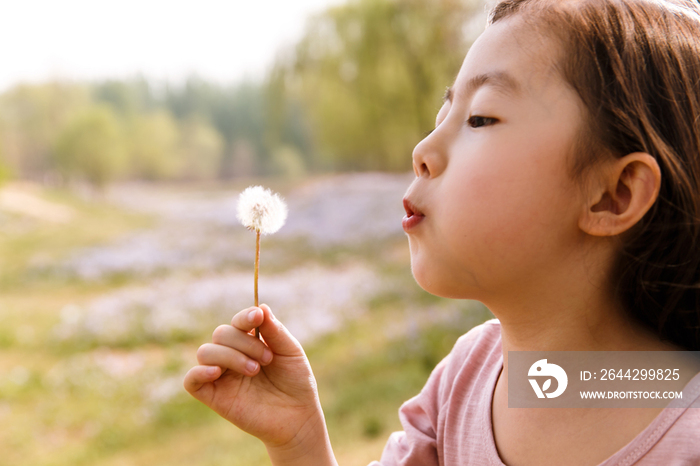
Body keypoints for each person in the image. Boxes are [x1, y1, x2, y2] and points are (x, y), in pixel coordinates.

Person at [183, 0, 700, 464]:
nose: (423, 151)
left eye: (479, 119)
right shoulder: (462, 383)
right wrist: (298, 442)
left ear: (615, 195)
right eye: (441, 114)